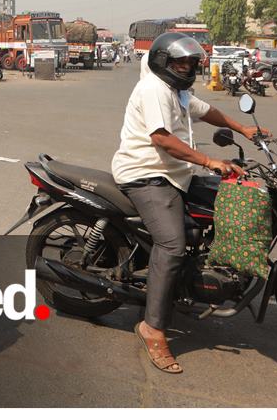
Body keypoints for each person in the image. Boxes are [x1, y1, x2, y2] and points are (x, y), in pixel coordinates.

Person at [111, 34, 267, 374]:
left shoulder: (178, 92)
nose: (187, 68)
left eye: (191, 63)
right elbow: (162, 139)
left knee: (220, 204)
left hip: (174, 174)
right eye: (180, 63)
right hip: (146, 175)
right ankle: (152, 328)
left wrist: (244, 129)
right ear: (163, 63)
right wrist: (210, 161)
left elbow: (207, 111)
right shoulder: (153, 89)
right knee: (172, 245)